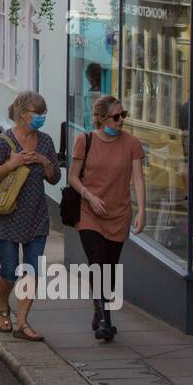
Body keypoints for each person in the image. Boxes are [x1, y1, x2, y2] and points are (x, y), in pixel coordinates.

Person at [0, 90, 60, 342]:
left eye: (44, 114)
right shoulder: (2, 142)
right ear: (24, 114)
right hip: (7, 216)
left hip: (36, 217)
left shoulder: (46, 142)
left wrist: (44, 161)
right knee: (9, 271)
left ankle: (22, 322)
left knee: (32, 271)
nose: (42, 118)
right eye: (39, 114)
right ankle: (3, 306)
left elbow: (54, 178)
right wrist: (12, 163)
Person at [68, 94, 146, 342]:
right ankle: (106, 320)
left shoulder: (132, 144)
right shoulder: (85, 140)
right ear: (101, 119)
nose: (121, 120)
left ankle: (98, 307)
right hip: (90, 213)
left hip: (119, 214)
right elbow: (73, 177)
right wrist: (89, 197)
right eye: (116, 116)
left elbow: (138, 179)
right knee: (97, 263)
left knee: (110, 269)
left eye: (123, 115)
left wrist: (142, 210)